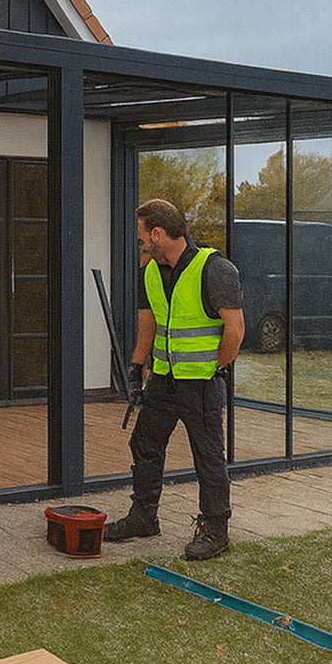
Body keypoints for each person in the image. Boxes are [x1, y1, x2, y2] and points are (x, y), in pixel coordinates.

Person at [104, 199, 244, 559]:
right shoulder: (149, 272)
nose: (141, 244)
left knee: (208, 457)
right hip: (164, 381)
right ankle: (143, 517)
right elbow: (148, 326)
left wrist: (216, 368)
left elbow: (236, 329)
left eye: (142, 237)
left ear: (157, 233)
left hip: (201, 384)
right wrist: (137, 369)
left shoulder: (214, 268)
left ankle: (216, 531)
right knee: (144, 444)